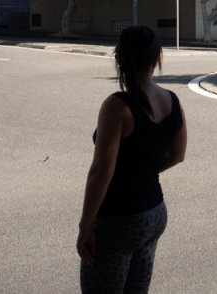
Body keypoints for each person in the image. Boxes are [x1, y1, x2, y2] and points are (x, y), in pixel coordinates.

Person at [77, 25, 187, 293]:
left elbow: (101, 172)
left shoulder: (117, 106)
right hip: (154, 213)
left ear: (119, 59)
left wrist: (85, 226)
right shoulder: (172, 100)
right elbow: (177, 155)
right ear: (154, 60)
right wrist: (144, 170)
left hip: (118, 218)